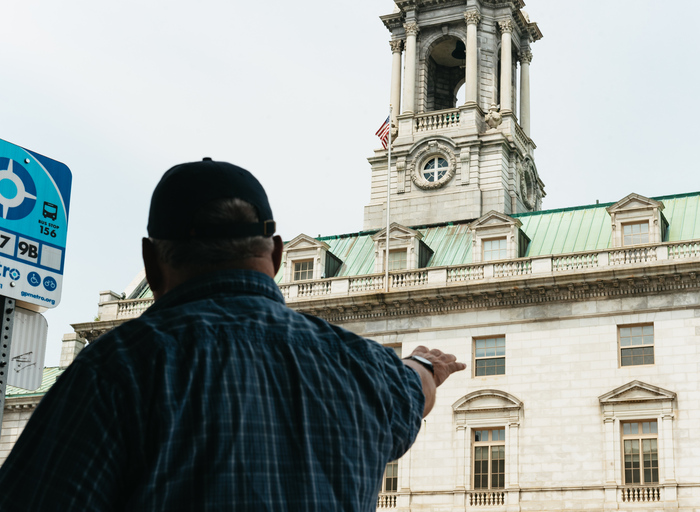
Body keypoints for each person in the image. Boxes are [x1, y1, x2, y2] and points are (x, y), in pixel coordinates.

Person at [0, 159, 466, 511]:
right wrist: (425, 364)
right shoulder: (368, 369)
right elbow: (415, 391)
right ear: (278, 255)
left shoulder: (119, 365)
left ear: (151, 262)